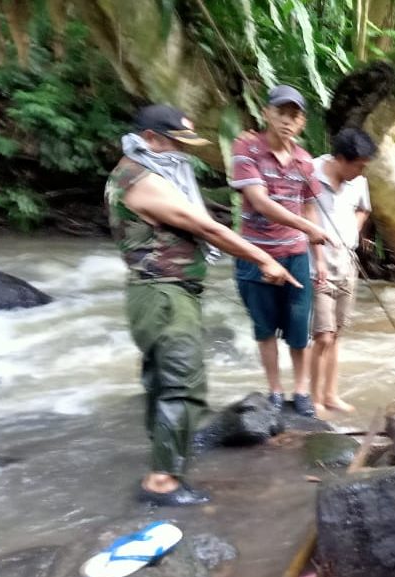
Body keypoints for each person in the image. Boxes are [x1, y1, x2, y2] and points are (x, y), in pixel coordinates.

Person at [107, 104, 300, 506]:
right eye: (178, 143)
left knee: (161, 381)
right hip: (164, 294)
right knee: (183, 383)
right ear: (151, 140)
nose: (185, 153)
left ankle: (164, 459)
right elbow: (208, 227)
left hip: (156, 291)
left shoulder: (135, 171)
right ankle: (163, 481)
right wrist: (263, 259)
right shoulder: (143, 180)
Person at [231, 85, 330, 417]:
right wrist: (308, 228)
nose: (288, 121)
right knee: (264, 327)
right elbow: (260, 201)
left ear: (302, 123)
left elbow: (310, 207)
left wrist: (319, 258)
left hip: (296, 254)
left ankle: (300, 391)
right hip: (255, 254)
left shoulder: (304, 161)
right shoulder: (246, 147)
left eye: (295, 115)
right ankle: (275, 390)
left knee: (299, 326)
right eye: (282, 113)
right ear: (267, 113)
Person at [309, 128, 377, 413]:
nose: (361, 172)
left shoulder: (358, 181)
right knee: (322, 336)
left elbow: (364, 209)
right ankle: (312, 400)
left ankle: (330, 395)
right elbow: (303, 214)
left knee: (337, 334)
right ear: (340, 159)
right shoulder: (311, 172)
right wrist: (319, 255)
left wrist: (352, 231)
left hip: (346, 262)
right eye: (358, 165)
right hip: (317, 264)